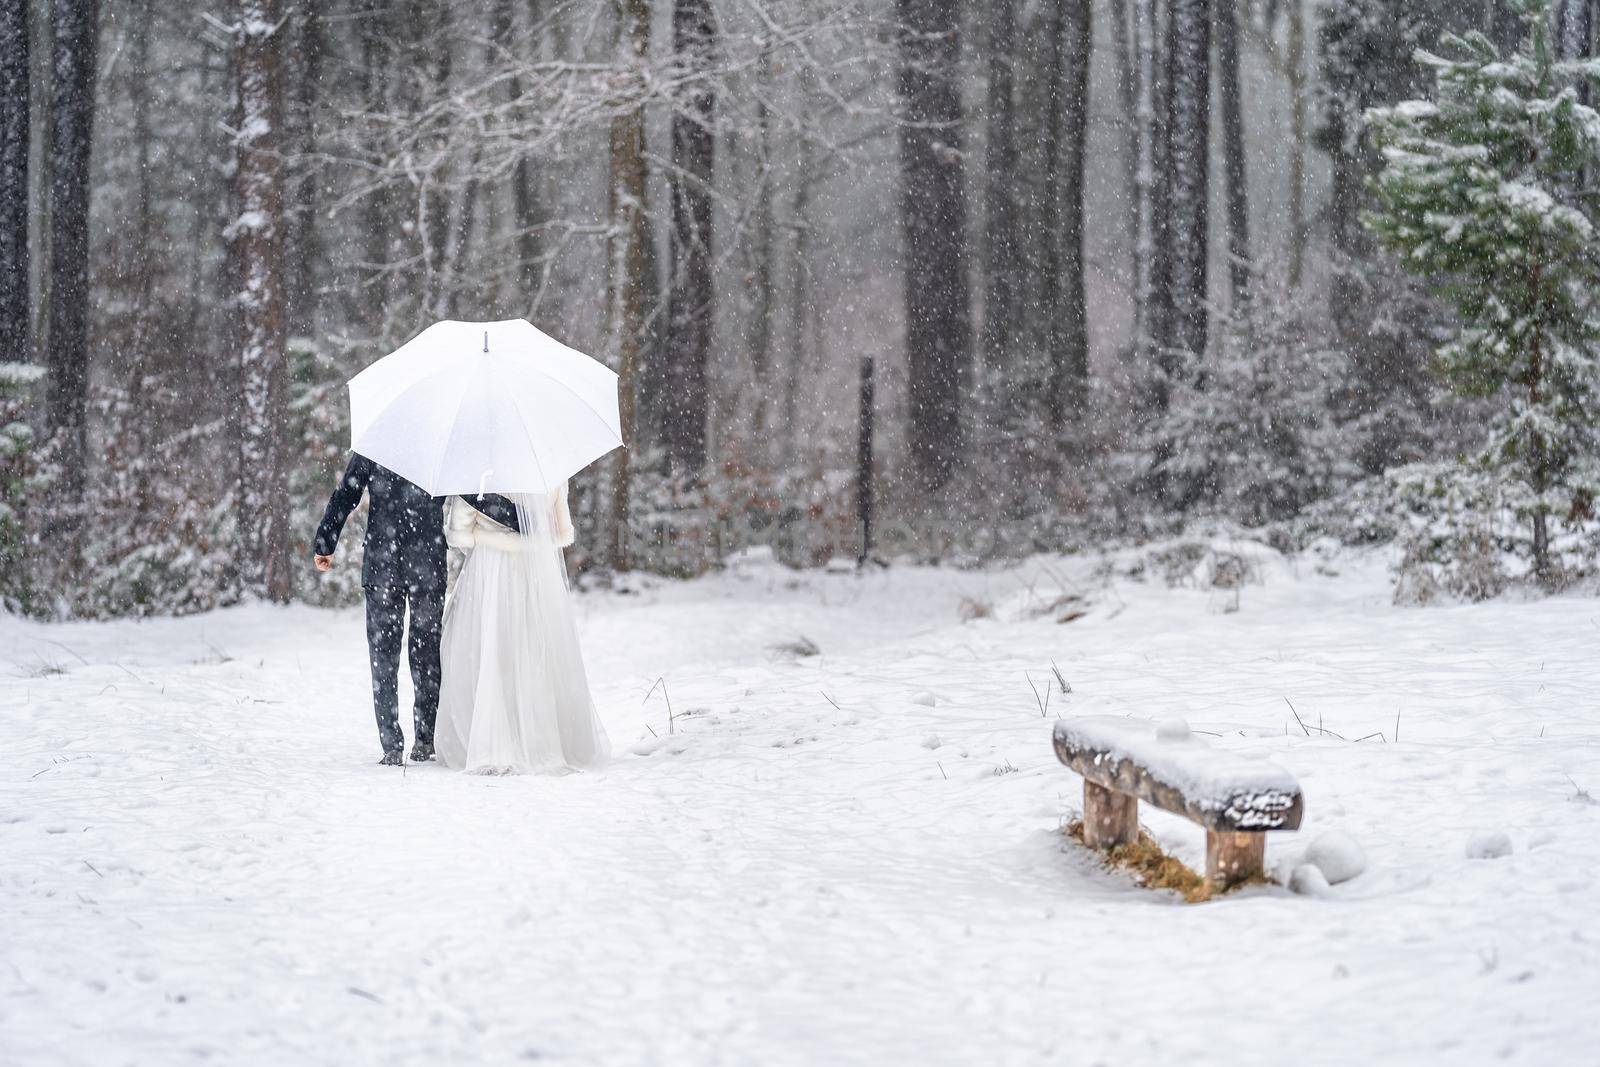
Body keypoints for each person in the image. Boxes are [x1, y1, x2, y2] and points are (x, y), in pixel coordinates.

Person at [435, 484, 609, 774]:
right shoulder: (548, 468)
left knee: (489, 647)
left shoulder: (480, 472)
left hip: (489, 568)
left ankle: (491, 736)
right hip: (535, 569)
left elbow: (460, 529)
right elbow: (558, 529)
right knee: (533, 647)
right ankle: (540, 734)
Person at [313, 455, 446, 766]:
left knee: (386, 655)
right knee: (424, 653)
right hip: (422, 563)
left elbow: (347, 492)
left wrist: (325, 540)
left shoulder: (378, 444)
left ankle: (396, 743)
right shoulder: (438, 446)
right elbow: (474, 494)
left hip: (387, 563)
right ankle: (420, 739)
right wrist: (520, 521)